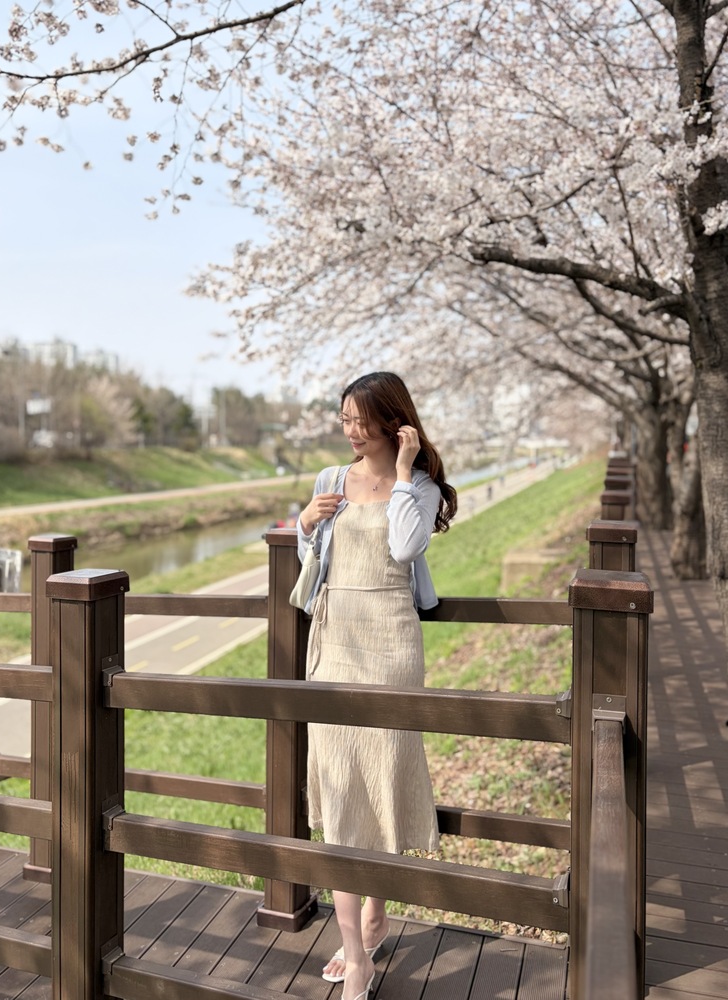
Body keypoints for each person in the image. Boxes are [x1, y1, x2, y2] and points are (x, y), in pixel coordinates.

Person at [296, 371, 457, 1000]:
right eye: (345, 421)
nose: (352, 433)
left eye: (362, 422)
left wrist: (409, 468)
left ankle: (378, 910)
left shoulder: (418, 486)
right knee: (339, 790)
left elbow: (404, 546)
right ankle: (357, 954)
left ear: (394, 422)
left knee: (382, 778)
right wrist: (306, 521)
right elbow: (314, 558)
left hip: (390, 643)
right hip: (335, 638)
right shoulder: (330, 481)